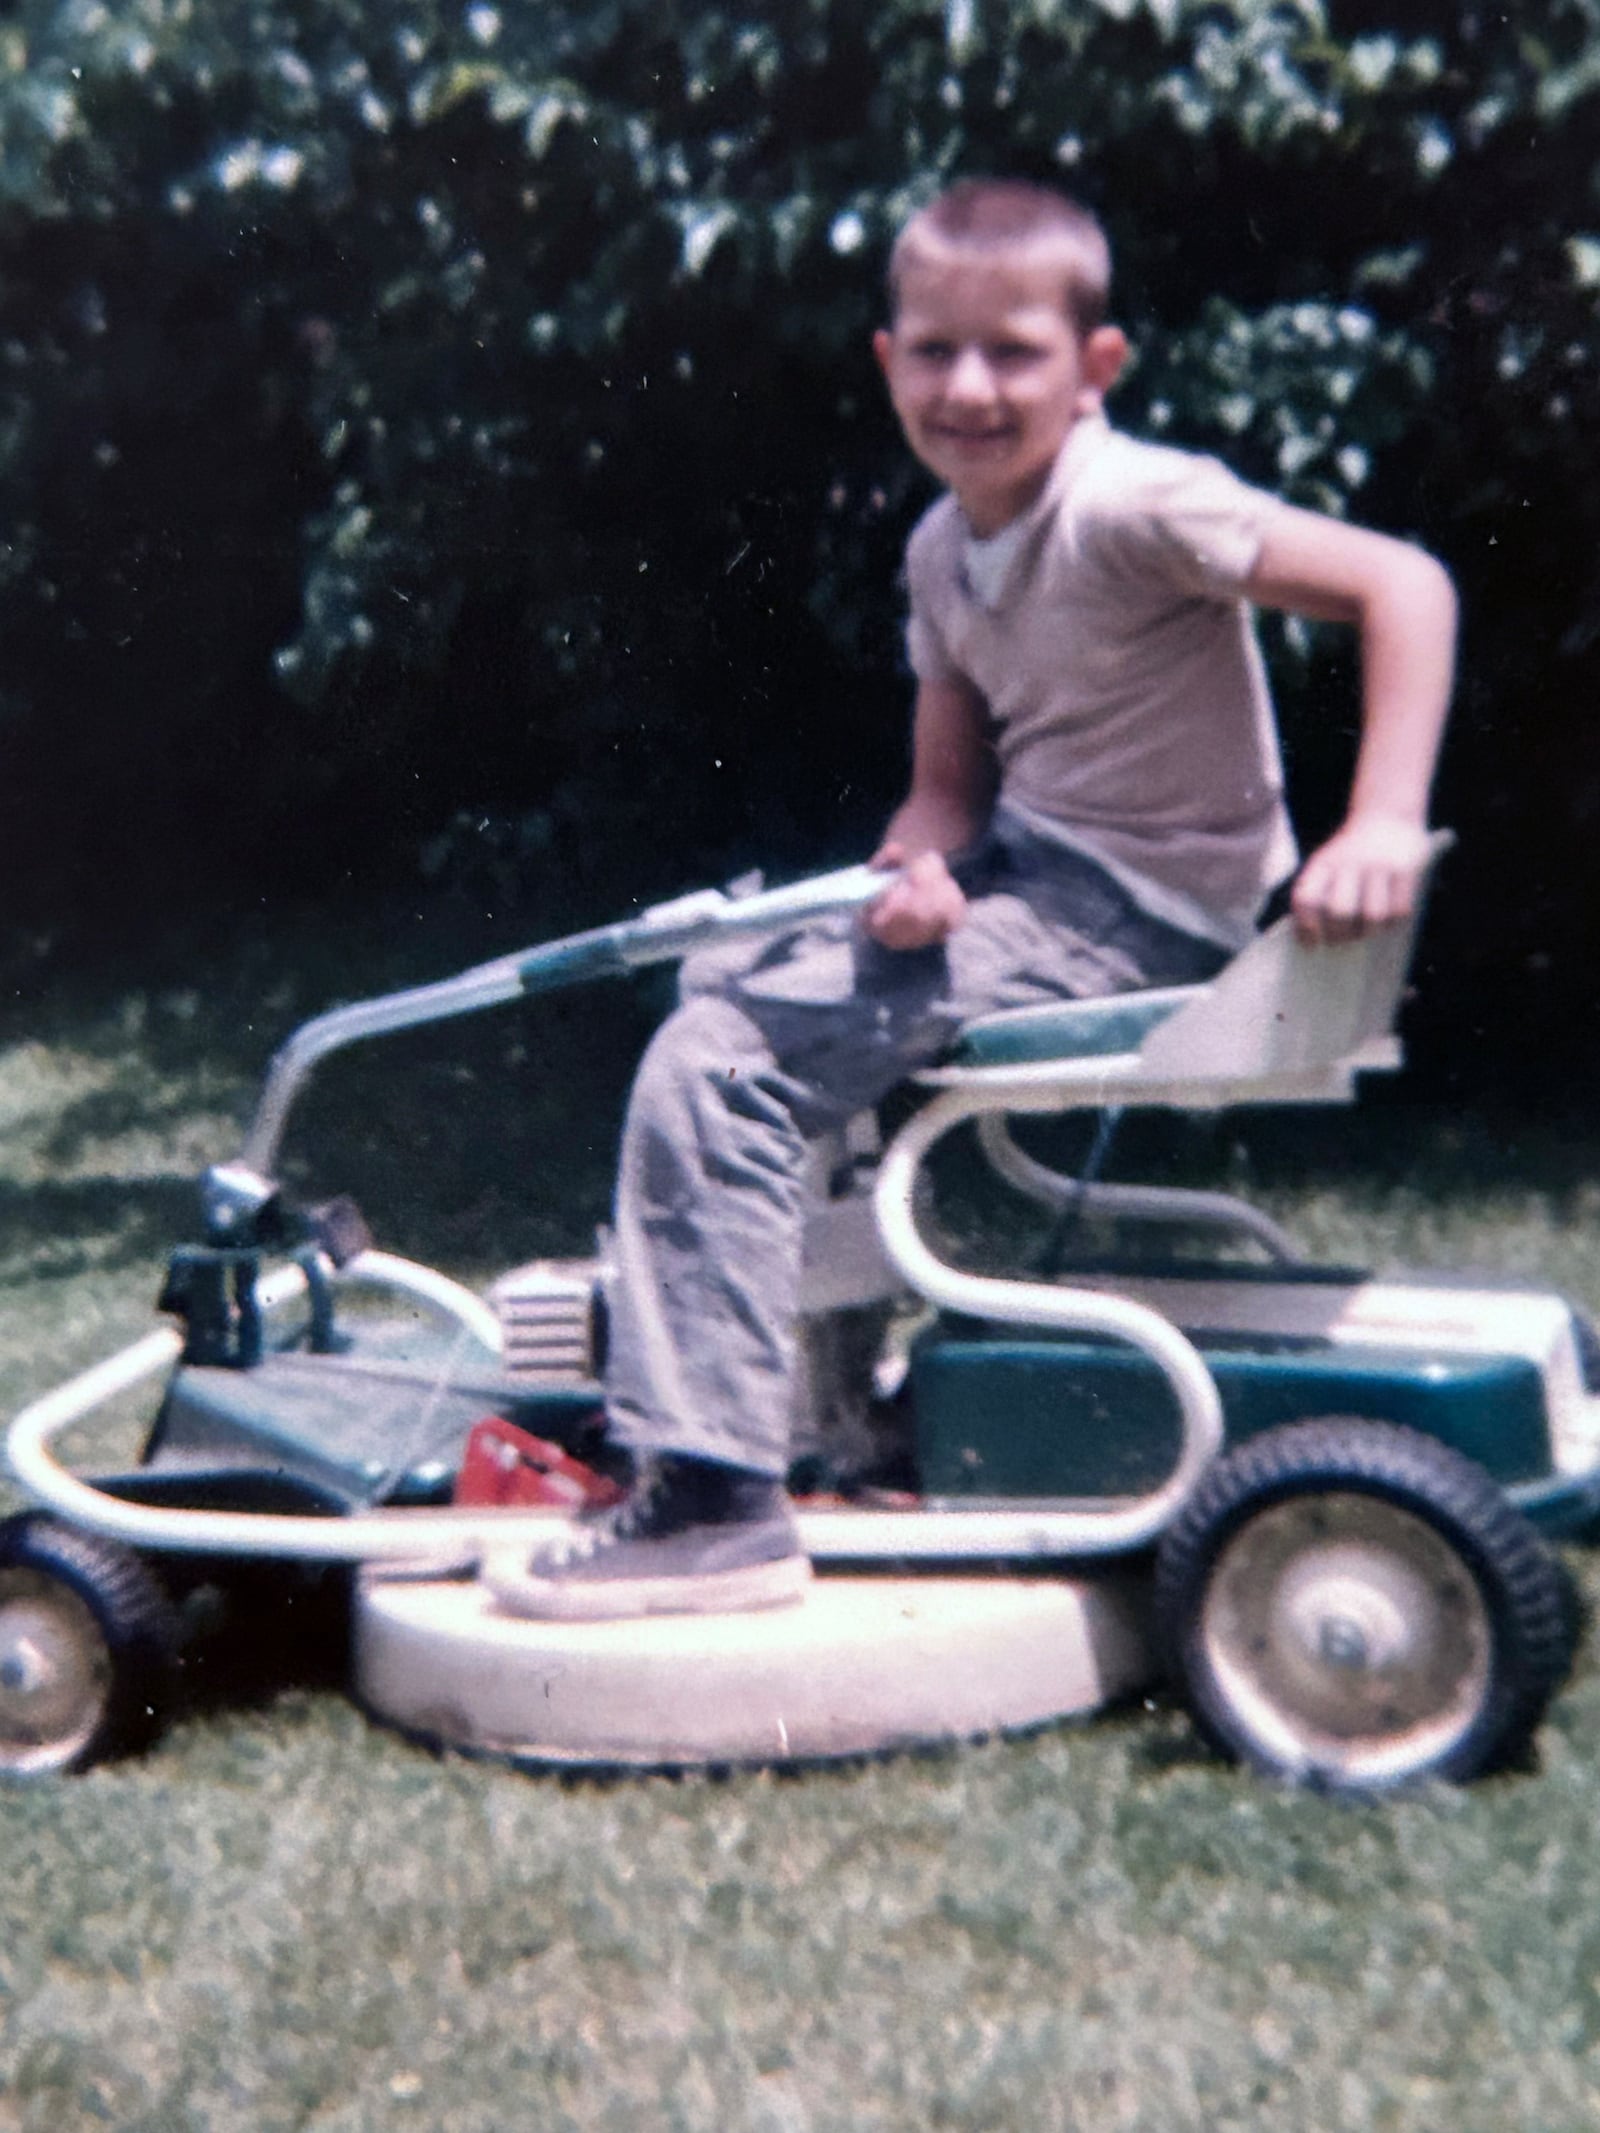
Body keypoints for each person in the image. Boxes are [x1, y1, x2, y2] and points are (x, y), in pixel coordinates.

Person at [501, 178, 1458, 1620]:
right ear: (888, 362)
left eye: (1013, 350)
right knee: (720, 976)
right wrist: (920, 876)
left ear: (1096, 371)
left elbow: (1407, 584)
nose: (971, 386)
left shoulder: (1133, 503)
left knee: (725, 1057)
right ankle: (823, 1415)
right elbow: (946, 792)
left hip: (1141, 918)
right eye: (936, 351)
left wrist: (1380, 816)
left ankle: (710, 1495)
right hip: (1032, 877)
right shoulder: (941, 551)